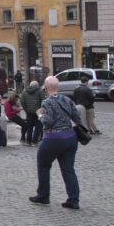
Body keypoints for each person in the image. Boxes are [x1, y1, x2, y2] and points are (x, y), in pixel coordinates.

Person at [30, 75, 82, 209]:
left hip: (54, 139)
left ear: (46, 88)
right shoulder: (67, 99)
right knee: (68, 169)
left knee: (43, 165)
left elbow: (48, 122)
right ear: (57, 87)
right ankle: (73, 200)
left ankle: (43, 196)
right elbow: (76, 117)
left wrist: (40, 115)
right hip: (70, 138)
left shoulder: (46, 103)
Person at [21, 70, 45, 145]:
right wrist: (41, 109)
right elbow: (43, 100)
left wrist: (25, 109)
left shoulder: (25, 91)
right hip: (37, 111)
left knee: (30, 126)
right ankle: (34, 141)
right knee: (39, 125)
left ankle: (28, 141)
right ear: (37, 85)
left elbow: (22, 101)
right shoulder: (40, 90)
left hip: (28, 111)